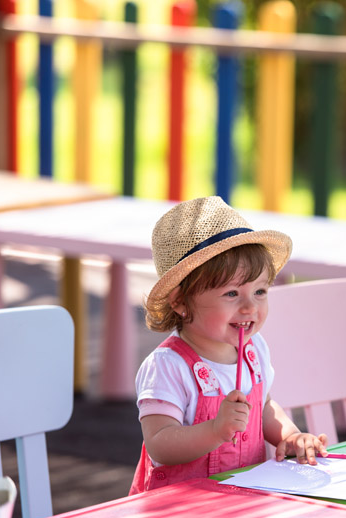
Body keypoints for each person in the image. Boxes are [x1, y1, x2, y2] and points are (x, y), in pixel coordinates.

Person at [130, 196, 328, 494]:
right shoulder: (168, 366)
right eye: (232, 294)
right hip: (180, 509)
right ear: (181, 302)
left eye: (260, 291)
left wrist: (290, 435)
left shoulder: (254, 349)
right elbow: (160, 444)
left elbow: (264, 407)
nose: (250, 307)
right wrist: (215, 430)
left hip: (243, 498)